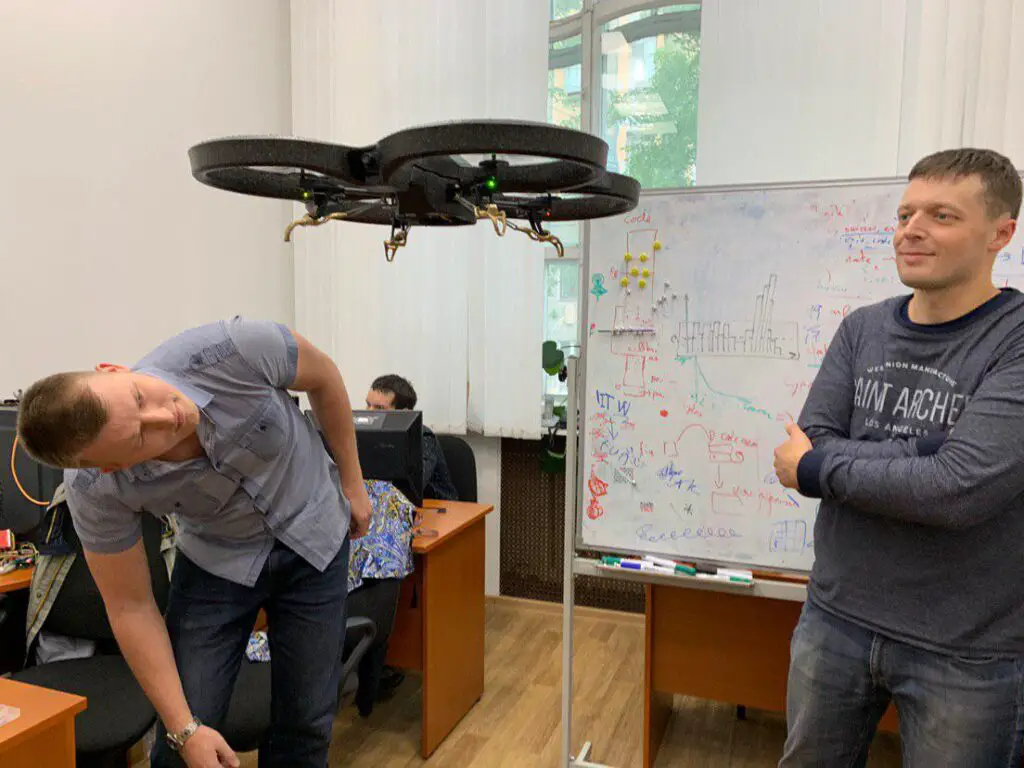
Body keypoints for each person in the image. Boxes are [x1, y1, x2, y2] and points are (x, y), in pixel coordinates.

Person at [16, 317, 372, 768]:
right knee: (183, 738)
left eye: (139, 398)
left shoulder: (232, 348)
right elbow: (130, 608)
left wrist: (353, 483)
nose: (170, 415)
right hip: (218, 562)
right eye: (142, 436)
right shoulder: (95, 489)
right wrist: (186, 729)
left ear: (112, 369)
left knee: (306, 723)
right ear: (109, 467)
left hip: (314, 535)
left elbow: (325, 379)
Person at [773, 148, 1024, 766]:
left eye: (941, 215)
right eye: (906, 212)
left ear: (1001, 232)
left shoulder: (1014, 337)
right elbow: (817, 435)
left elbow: (959, 489)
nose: (911, 229)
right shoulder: (862, 328)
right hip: (834, 617)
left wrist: (818, 469)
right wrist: (927, 451)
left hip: (968, 650)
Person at [365, 374, 459, 501]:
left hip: (437, 507)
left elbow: (412, 484)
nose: (369, 413)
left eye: (379, 408)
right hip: (388, 505)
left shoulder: (423, 437)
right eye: (368, 405)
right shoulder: (366, 435)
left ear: (403, 413)